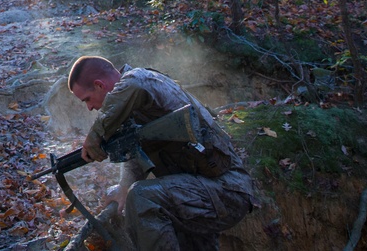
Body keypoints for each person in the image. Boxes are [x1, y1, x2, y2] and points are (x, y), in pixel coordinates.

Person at [67, 56, 254, 251]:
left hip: (227, 189)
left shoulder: (140, 78)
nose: (89, 108)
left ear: (99, 85)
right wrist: (123, 187)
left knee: (142, 198)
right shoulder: (132, 111)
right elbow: (135, 151)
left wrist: (97, 133)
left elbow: (135, 86)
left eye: (87, 99)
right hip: (200, 193)